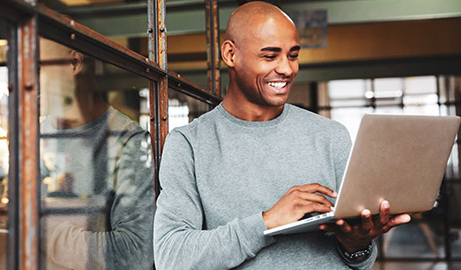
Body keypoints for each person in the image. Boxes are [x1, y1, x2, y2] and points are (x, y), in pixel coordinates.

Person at [153, 2, 411, 269]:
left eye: (293, 55)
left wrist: (357, 246)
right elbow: (171, 258)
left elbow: (359, 261)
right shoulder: (189, 145)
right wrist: (267, 222)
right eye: (270, 56)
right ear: (230, 54)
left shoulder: (331, 136)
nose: (287, 69)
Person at [39, 38, 154, 269]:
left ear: (74, 63)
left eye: (36, 68)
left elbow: (134, 253)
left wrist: (38, 230)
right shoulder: (31, 136)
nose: (24, 80)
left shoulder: (129, 141)